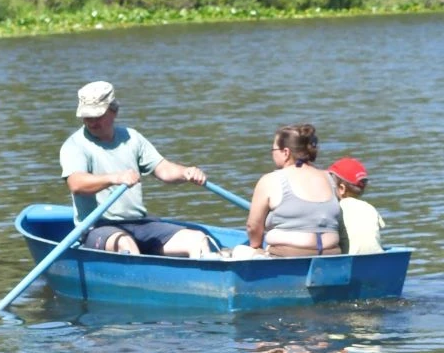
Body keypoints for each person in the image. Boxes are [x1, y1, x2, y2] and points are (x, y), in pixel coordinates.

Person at [60, 80, 215, 258]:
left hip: (141, 224)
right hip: (98, 227)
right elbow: (76, 185)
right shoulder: (75, 145)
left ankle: (202, 282)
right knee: (126, 244)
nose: (92, 122)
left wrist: (186, 172)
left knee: (198, 239)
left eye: (98, 116)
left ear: (114, 111)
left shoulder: (132, 138)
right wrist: (114, 178)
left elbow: (163, 169)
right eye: (87, 117)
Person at [234, 123, 342, 258]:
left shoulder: (270, 180)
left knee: (239, 250)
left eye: (273, 150)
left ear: (286, 152)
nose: (272, 154)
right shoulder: (329, 178)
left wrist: (255, 248)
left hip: (288, 257)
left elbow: (253, 226)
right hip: (331, 254)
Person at [328, 157, 385, 254]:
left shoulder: (336, 209)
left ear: (342, 188)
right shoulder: (369, 208)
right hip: (377, 261)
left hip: (348, 262)